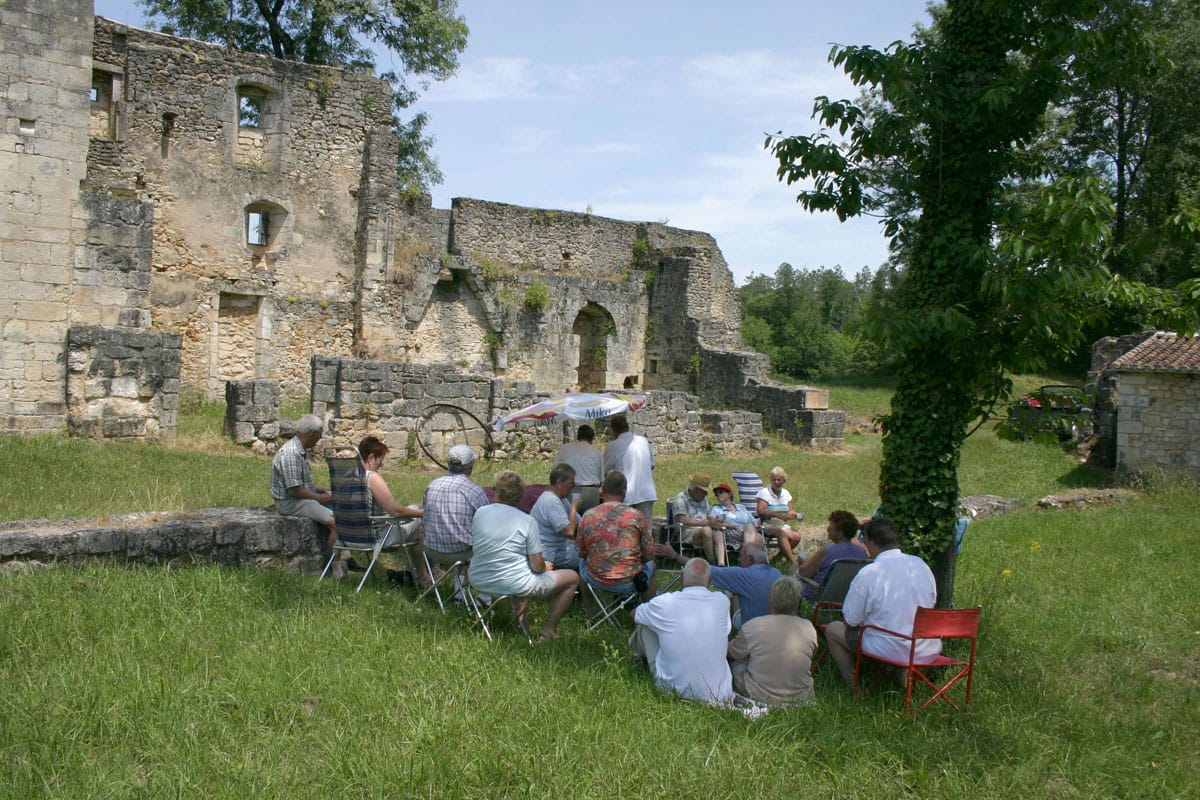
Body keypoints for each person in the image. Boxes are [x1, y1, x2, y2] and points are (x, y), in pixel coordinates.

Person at [824, 517, 940, 687]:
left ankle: (854, 685)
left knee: (834, 629)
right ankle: (898, 678)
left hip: (888, 648)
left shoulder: (870, 573)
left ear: (871, 543)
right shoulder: (920, 565)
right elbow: (932, 601)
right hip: (926, 647)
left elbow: (850, 621)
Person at [467, 470, 580, 641]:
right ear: (520, 496)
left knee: (517, 569)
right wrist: (544, 567)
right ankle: (549, 631)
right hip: (513, 583)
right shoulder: (526, 521)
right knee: (572, 577)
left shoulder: (480, 513)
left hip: (478, 578)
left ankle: (521, 622)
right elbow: (537, 566)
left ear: (495, 491)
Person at [630, 557, 734, 705]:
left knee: (645, 624)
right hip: (719, 694)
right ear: (710, 581)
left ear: (681, 576)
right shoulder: (722, 601)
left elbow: (634, 615)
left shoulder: (664, 602)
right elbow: (726, 632)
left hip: (672, 691)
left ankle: (639, 657)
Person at [342, 435, 430, 584]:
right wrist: (423, 513)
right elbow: (395, 511)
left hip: (349, 535)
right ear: (371, 457)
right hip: (376, 536)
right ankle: (423, 578)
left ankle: (420, 576)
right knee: (420, 526)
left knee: (415, 508)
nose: (381, 465)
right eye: (380, 460)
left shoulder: (347, 475)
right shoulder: (372, 477)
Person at [727, 575, 818, 705]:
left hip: (760, 694)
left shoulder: (753, 626)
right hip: (801, 696)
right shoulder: (809, 628)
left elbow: (732, 653)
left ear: (771, 601)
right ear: (798, 603)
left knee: (739, 661)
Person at [576, 470, 657, 600]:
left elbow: (581, 551)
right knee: (652, 566)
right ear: (624, 491)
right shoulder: (637, 516)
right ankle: (648, 609)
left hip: (595, 578)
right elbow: (649, 553)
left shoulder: (588, 515)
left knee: (581, 564)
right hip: (629, 581)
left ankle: (590, 613)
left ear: (602, 491)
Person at [270, 413, 337, 559]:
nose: (318, 441)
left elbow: (301, 482)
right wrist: (320, 498)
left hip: (301, 499)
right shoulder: (291, 453)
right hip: (291, 503)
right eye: (318, 437)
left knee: (342, 511)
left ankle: (346, 556)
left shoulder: (299, 450)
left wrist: (320, 489)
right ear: (311, 434)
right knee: (336, 522)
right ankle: (335, 564)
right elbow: (295, 491)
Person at [421, 443, 489, 577]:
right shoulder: (474, 491)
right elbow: (487, 524)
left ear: (448, 463)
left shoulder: (432, 486)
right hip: (462, 551)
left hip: (432, 549)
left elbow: (425, 515)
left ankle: (459, 591)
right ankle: (483, 596)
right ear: (470, 466)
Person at [794, 509, 868, 599]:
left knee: (794, 568)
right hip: (847, 596)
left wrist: (802, 563)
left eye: (830, 527)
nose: (827, 529)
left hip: (821, 595)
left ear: (840, 533)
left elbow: (804, 573)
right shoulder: (862, 552)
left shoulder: (827, 550)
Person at [602, 414, 656, 522]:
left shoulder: (614, 445)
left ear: (613, 430)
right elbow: (652, 465)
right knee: (645, 532)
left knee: (626, 531)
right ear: (627, 426)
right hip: (646, 492)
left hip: (626, 494)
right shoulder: (643, 441)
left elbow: (603, 470)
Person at [530, 462, 581, 570]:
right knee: (589, 558)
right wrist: (574, 506)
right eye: (571, 483)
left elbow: (579, 521)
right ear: (559, 483)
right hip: (550, 552)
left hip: (559, 546)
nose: (573, 487)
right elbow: (569, 532)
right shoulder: (551, 500)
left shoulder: (561, 498)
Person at [669, 472, 727, 565]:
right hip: (687, 532)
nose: (706, 494)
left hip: (704, 530)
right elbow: (682, 520)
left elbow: (708, 515)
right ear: (695, 489)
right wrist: (706, 524)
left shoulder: (704, 499)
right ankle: (711, 564)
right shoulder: (681, 498)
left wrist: (713, 520)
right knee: (707, 530)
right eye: (704, 491)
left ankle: (721, 564)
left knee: (718, 534)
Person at [755, 465, 804, 566]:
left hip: (781, 524)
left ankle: (778, 557)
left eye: (779, 480)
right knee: (781, 534)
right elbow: (761, 510)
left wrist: (797, 515)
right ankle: (792, 562)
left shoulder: (785, 493)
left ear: (783, 481)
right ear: (770, 480)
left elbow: (790, 511)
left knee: (796, 536)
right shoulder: (764, 492)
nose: (776, 482)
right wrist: (777, 515)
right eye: (774, 480)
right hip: (767, 523)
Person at [555, 425, 603, 512]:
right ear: (592, 438)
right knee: (589, 522)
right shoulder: (597, 452)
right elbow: (601, 480)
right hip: (591, 492)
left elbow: (555, 471)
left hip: (570, 490)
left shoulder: (565, 448)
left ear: (578, 436)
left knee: (571, 521)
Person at [707, 483, 758, 555]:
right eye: (716, 494)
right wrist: (734, 527)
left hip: (746, 533)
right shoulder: (716, 509)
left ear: (730, 494)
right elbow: (714, 524)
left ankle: (746, 552)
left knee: (750, 526)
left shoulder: (741, 507)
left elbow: (754, 522)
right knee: (753, 534)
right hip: (729, 533)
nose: (718, 495)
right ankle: (748, 555)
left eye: (721, 492)